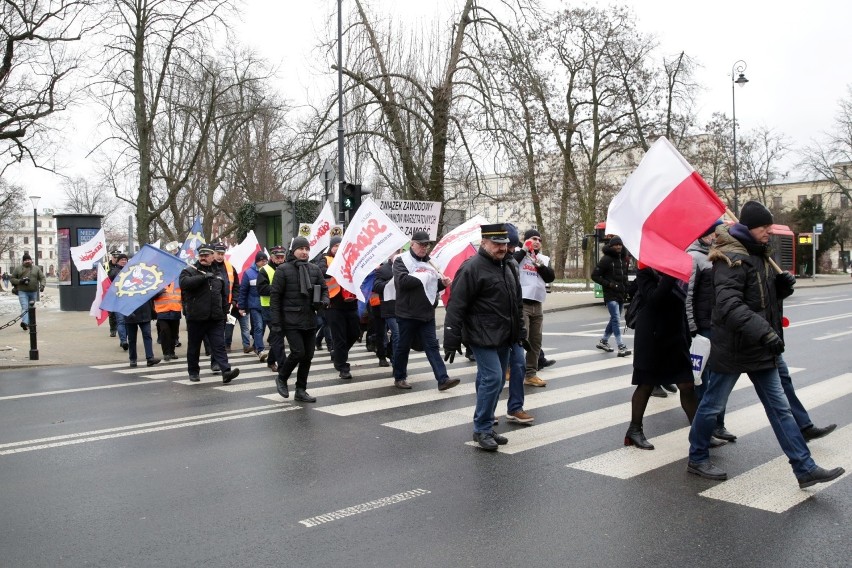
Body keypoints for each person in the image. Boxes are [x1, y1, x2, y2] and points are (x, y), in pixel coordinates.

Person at [687, 201, 844, 488]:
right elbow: (730, 305)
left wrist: (779, 289)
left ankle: (804, 467)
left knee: (781, 409)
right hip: (733, 348)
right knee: (711, 406)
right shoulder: (730, 258)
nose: (769, 232)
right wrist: (764, 332)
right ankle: (697, 457)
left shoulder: (759, 255)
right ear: (748, 227)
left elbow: (758, 300)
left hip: (759, 348)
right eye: (764, 227)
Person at [443, 223, 525, 451]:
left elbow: (516, 303)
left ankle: (487, 426)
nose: (501, 248)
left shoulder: (507, 266)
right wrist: (451, 337)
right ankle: (481, 429)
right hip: (481, 335)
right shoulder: (471, 267)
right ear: (484, 243)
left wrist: (521, 332)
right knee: (493, 379)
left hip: (504, 335)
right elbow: (456, 305)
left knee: (496, 382)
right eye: (496, 244)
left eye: (504, 243)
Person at [624, 265, 698, 450]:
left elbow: (681, 302)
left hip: (675, 333)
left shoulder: (680, 266)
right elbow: (654, 299)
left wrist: (686, 333)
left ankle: (700, 433)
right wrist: (670, 275)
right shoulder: (645, 270)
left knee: (687, 384)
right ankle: (634, 430)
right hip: (652, 334)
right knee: (646, 383)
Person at [686, 220, 737, 441]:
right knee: (703, 380)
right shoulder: (694, 257)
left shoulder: (717, 255)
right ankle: (705, 428)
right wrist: (692, 327)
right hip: (703, 326)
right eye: (712, 234)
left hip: (719, 326)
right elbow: (689, 295)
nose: (715, 237)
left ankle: (719, 424)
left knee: (719, 376)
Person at [392, 231, 458, 391]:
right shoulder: (401, 260)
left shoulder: (431, 263)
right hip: (407, 313)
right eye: (421, 244)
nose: (424, 248)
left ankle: (443, 379)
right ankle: (400, 377)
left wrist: (442, 283)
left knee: (432, 346)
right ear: (412, 244)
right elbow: (402, 282)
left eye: (426, 245)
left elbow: (432, 286)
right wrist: (425, 277)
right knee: (403, 346)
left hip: (427, 312)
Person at [269, 237, 328, 402]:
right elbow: (275, 297)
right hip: (290, 319)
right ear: (293, 250)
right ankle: (282, 377)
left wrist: (324, 301)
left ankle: (301, 390)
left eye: (307, 249)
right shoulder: (283, 270)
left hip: (309, 318)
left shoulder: (314, 269)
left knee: (308, 355)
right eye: (301, 248)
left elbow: (324, 289)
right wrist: (276, 322)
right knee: (298, 352)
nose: (304, 252)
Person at [179, 244, 240, 384]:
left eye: (206, 255)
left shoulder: (219, 273)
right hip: (196, 317)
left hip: (216, 317)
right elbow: (184, 284)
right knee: (194, 346)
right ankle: (193, 372)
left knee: (219, 345)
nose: (203, 258)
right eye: (201, 255)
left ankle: (226, 371)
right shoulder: (189, 271)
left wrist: (225, 310)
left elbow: (223, 294)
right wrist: (203, 277)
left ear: (213, 256)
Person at [514, 228, 556, 387]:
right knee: (521, 339)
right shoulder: (519, 254)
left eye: (539, 239)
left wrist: (540, 266)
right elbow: (511, 263)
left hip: (537, 304)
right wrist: (524, 250)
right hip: (522, 303)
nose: (537, 241)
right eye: (533, 238)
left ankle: (530, 373)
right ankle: (511, 368)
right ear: (526, 240)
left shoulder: (543, 259)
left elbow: (550, 277)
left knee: (535, 341)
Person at [318, 237, 360, 380]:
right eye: (336, 245)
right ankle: (342, 367)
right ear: (331, 248)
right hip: (333, 305)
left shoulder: (351, 259)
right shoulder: (325, 259)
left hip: (351, 303)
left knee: (355, 333)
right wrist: (338, 264)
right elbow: (321, 271)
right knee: (339, 337)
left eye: (341, 245)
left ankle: (338, 355)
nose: (338, 248)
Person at [505, 224, 534, 424]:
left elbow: (517, 299)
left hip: (513, 327)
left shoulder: (512, 265)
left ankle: (515, 407)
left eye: (514, 246)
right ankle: (486, 414)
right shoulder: (476, 265)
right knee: (493, 375)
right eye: (508, 246)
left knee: (519, 365)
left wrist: (522, 332)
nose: (510, 250)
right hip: (490, 330)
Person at [591, 236, 631, 357]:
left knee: (614, 318)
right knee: (616, 319)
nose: (618, 246)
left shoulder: (623, 259)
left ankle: (603, 341)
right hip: (610, 294)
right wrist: (609, 284)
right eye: (616, 245)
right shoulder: (606, 259)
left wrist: (627, 288)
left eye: (620, 244)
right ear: (611, 246)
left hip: (620, 294)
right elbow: (595, 275)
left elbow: (624, 277)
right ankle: (621, 346)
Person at [212, 242, 250, 354]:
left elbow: (236, 285)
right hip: (214, 305)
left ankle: (224, 348)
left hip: (228, 304)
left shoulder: (230, 267)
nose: (220, 256)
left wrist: (234, 300)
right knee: (217, 330)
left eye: (222, 253)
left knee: (227, 327)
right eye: (218, 253)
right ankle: (216, 349)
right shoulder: (209, 267)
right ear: (213, 253)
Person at [258, 246, 288, 372]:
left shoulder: (287, 268)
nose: (280, 259)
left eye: (282, 257)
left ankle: (271, 361)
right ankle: (283, 364)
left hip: (284, 307)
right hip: (269, 307)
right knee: (278, 335)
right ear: (272, 257)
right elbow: (261, 289)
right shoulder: (264, 270)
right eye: (277, 257)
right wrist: (278, 288)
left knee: (277, 336)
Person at [372, 252, 400, 371]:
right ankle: (382, 356)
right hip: (381, 306)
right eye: (394, 252)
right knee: (381, 332)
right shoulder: (382, 269)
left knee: (397, 335)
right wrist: (391, 282)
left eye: (398, 251)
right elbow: (376, 286)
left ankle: (392, 356)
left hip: (399, 308)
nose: (397, 254)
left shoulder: (405, 266)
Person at [238, 251, 269, 358]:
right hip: (254, 305)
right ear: (257, 261)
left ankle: (256, 346)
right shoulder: (248, 273)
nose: (264, 263)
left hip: (266, 305)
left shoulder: (268, 271)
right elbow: (243, 291)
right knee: (259, 327)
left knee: (262, 328)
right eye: (262, 261)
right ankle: (260, 350)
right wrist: (241, 307)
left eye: (265, 261)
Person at [10, 252, 46, 331]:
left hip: (33, 292)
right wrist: (20, 281)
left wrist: (42, 285)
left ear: (31, 260)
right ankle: (25, 322)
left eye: (29, 259)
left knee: (31, 308)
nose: (27, 261)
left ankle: (29, 322)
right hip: (22, 291)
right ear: (23, 261)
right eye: (25, 260)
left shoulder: (36, 268)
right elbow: (12, 279)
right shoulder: (18, 269)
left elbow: (42, 278)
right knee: (25, 306)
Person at [123, 298, 161, 368]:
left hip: (144, 313)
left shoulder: (146, 286)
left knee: (147, 336)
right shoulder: (125, 287)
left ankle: (150, 358)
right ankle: (133, 359)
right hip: (131, 315)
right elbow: (122, 300)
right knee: (132, 339)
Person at [153, 280, 182, 361]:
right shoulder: (158, 283)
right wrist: (158, 293)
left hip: (175, 310)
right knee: (165, 332)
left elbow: (183, 294)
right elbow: (151, 296)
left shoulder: (177, 283)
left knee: (174, 333)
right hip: (162, 312)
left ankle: (172, 352)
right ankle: (166, 353)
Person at [108, 254, 129, 349]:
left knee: (128, 322)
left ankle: (125, 338)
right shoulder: (113, 271)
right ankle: (123, 340)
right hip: (118, 300)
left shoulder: (131, 271)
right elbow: (109, 282)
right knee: (121, 321)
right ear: (118, 261)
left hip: (129, 300)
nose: (124, 261)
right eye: (122, 260)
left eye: (125, 259)